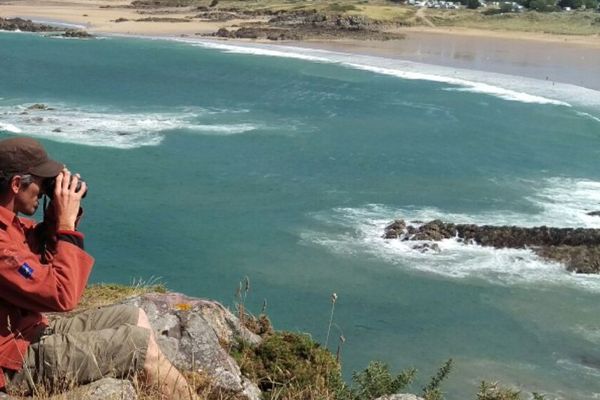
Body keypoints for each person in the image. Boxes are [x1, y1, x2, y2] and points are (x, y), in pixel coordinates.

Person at [0, 137, 197, 399]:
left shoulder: (11, 226)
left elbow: (39, 254)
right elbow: (62, 294)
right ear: (16, 184)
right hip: (14, 361)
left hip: (29, 332)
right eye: (41, 182)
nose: (44, 189)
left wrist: (56, 216)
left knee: (133, 317)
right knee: (137, 346)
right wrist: (67, 227)